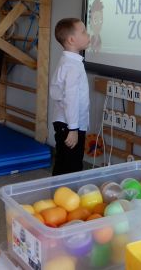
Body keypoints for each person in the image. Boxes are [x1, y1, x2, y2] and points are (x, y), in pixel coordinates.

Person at [49, 17, 90, 175]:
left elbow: (57, 92)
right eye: (84, 32)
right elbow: (70, 99)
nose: (88, 35)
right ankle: (62, 191)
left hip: (69, 123)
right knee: (70, 166)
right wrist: (73, 128)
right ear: (72, 40)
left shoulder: (71, 62)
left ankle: (62, 190)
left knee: (67, 163)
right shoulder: (71, 66)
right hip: (69, 125)